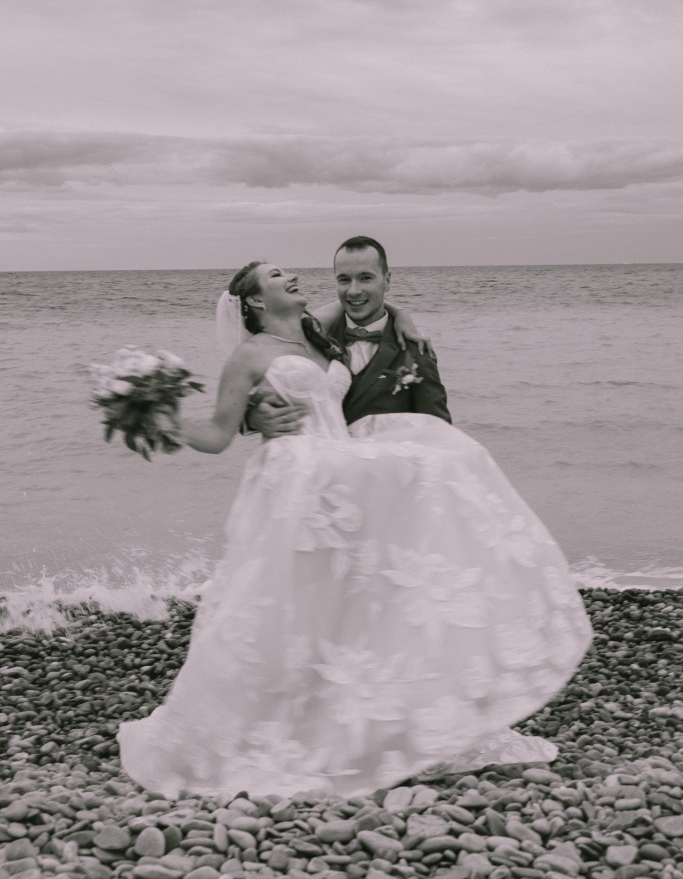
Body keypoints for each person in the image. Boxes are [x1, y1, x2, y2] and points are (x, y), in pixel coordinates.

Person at [117, 260, 593, 800]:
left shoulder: (314, 330)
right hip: (298, 481)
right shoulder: (250, 354)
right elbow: (217, 433)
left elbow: (372, 306)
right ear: (254, 301)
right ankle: (279, 724)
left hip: (341, 474)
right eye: (276, 275)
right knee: (294, 606)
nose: (291, 276)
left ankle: (375, 714)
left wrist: (406, 319)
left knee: (357, 599)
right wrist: (166, 419)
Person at [249, 235, 451, 437]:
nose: (353, 291)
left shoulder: (415, 349)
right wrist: (253, 417)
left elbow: (439, 432)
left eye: (365, 278)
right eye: (344, 280)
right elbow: (258, 385)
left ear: (387, 281)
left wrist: (400, 313)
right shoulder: (313, 338)